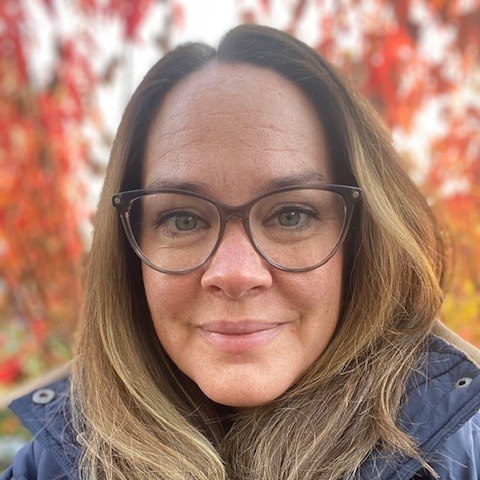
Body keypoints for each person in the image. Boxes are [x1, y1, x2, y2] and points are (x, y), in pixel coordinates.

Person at [1, 24, 479, 480]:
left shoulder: (460, 458)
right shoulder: (51, 466)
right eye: (183, 220)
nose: (235, 273)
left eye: (291, 215)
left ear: (362, 241)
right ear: (130, 253)